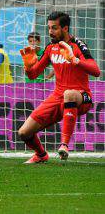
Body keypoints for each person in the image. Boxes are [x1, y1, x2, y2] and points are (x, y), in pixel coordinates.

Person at [18, 12, 100, 163]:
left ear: (65, 28)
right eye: (49, 28)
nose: (50, 31)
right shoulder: (50, 48)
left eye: (54, 28)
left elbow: (96, 71)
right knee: (24, 132)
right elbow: (33, 75)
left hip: (82, 97)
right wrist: (28, 67)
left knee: (69, 94)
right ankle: (41, 155)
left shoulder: (78, 45)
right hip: (57, 97)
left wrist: (75, 60)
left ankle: (64, 145)